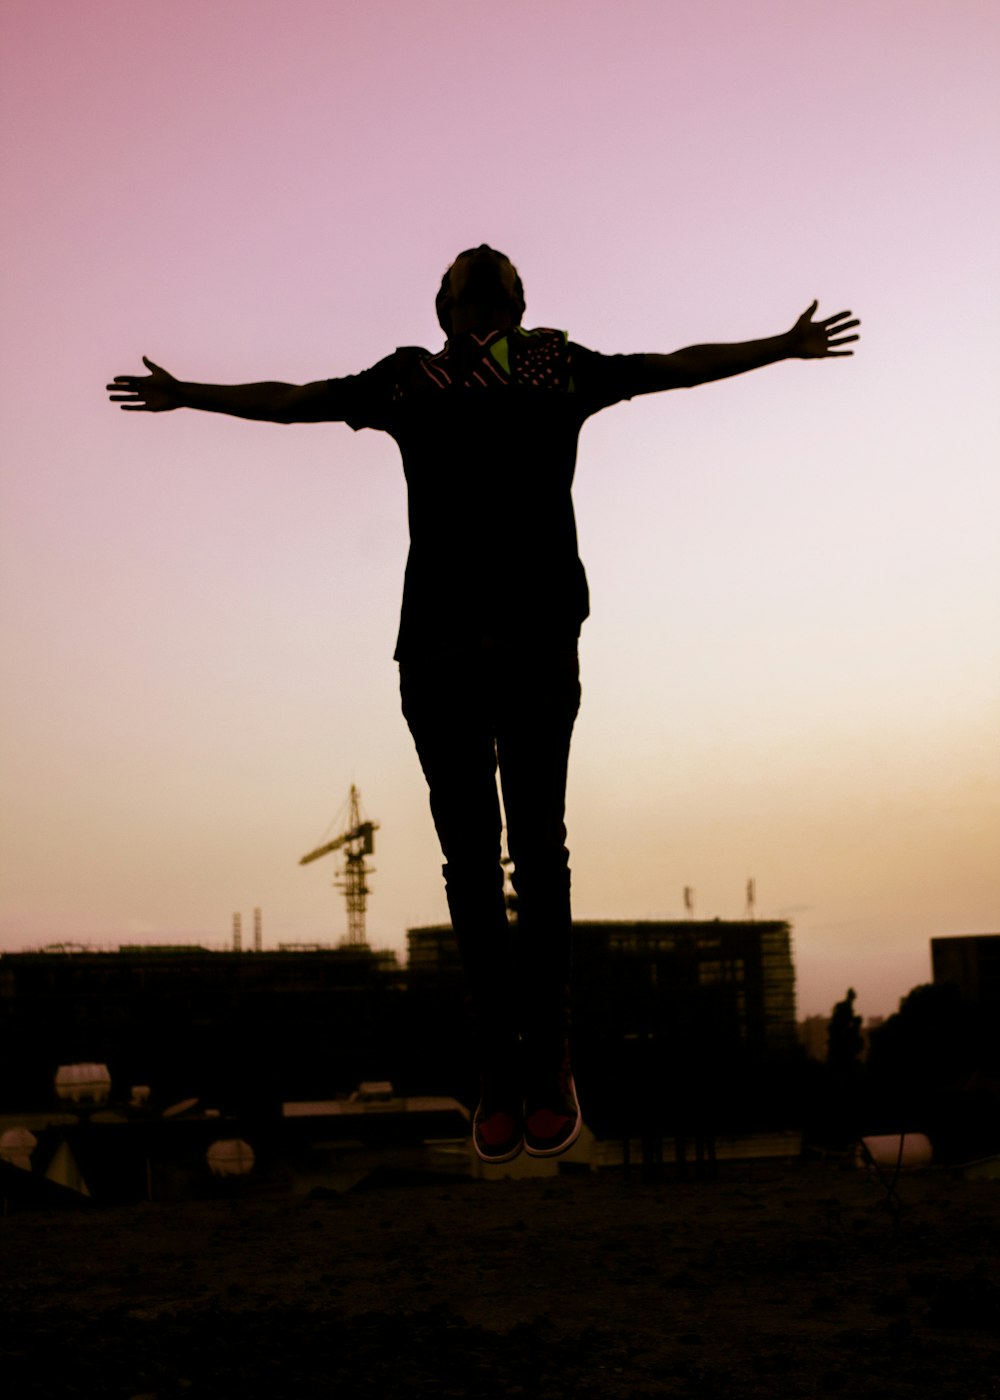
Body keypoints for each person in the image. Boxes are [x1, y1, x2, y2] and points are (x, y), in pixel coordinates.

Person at [108, 244, 859, 1163]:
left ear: (512, 298)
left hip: (534, 640)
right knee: (475, 864)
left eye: (493, 267)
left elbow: (674, 369)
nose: (483, 261)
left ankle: (548, 1066)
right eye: (473, 270)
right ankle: (501, 1073)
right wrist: (195, 396)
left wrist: (779, 347)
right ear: (444, 305)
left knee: (536, 856)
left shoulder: (558, 365)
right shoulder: (409, 381)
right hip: (441, 651)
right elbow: (294, 399)